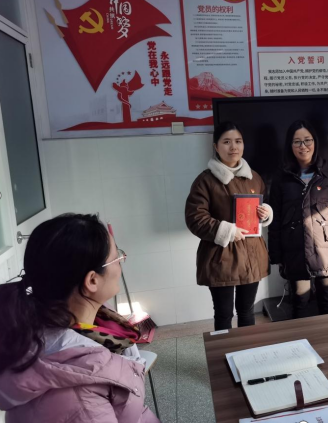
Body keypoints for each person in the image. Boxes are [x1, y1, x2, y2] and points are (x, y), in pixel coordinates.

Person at [0, 213, 160, 423]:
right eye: (117, 257)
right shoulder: (80, 401)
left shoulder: (93, 318)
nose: (122, 261)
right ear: (92, 280)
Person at [185, 121, 272, 331]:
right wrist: (227, 230)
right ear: (216, 146)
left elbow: (264, 204)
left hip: (251, 255)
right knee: (224, 314)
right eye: (226, 142)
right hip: (221, 257)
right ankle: (224, 351)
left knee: (247, 311)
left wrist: (266, 213)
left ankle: (247, 350)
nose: (233, 147)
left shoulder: (254, 178)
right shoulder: (205, 181)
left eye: (238, 141)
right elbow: (195, 218)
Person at [269, 120, 328, 318]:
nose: (303, 146)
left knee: (327, 304)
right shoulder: (282, 176)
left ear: (315, 142)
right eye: (297, 142)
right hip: (294, 251)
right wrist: (276, 255)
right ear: (290, 145)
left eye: (307, 140)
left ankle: (327, 340)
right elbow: (275, 218)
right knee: (299, 305)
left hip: (327, 249)